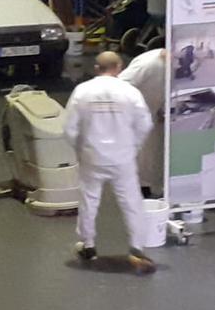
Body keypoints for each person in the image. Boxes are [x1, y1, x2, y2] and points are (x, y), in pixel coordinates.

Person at [64, 51, 156, 272]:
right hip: (122, 157)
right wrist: (133, 146)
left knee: (89, 201)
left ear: (96, 68)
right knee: (131, 202)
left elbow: (69, 128)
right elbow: (145, 124)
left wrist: (80, 149)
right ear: (119, 67)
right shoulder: (130, 92)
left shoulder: (82, 91)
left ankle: (88, 245)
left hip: (91, 156)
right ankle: (136, 246)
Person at [119, 49, 167, 198]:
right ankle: (141, 189)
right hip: (140, 112)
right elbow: (119, 85)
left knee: (156, 151)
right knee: (144, 151)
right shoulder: (147, 64)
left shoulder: (180, 63)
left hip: (158, 110)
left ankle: (154, 186)